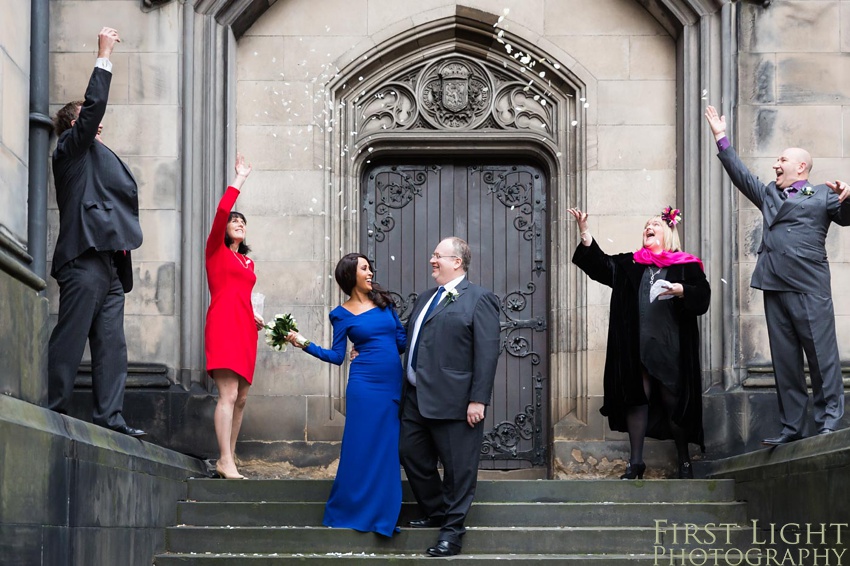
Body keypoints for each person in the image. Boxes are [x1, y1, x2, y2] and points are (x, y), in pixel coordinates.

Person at [705, 105, 850, 444]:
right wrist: (720, 137)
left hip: (809, 287)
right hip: (774, 285)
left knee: (821, 357)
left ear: (801, 166)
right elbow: (743, 177)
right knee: (785, 362)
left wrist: (848, 195)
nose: (775, 165)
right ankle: (792, 428)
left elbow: (845, 216)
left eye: (782, 160)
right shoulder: (770, 193)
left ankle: (829, 421)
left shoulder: (823, 194)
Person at [48, 27, 146, 437]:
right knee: (71, 339)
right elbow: (94, 109)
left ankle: (111, 418)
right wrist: (103, 54)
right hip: (82, 260)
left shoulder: (97, 156)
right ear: (76, 124)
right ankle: (52, 410)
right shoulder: (70, 149)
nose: (100, 128)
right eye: (91, 122)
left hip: (109, 266)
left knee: (112, 347)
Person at [569, 207, 710, 479]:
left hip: (670, 347)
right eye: (646, 224)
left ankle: (683, 459)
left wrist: (682, 290)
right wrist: (585, 232)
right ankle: (635, 463)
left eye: (655, 223)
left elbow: (703, 296)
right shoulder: (631, 264)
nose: (649, 226)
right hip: (636, 347)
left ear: (667, 232)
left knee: (673, 403)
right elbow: (601, 265)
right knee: (637, 399)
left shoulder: (685, 265)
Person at [286, 253, 406, 537]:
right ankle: (349, 510)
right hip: (363, 386)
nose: (370, 272)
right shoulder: (340, 314)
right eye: (364, 268)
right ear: (351, 275)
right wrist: (303, 343)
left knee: (386, 448)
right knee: (359, 446)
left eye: (370, 267)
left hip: (390, 384)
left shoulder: (384, 303)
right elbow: (337, 356)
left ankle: (383, 514)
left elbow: (401, 341)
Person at [398, 237, 501, 557]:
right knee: (409, 452)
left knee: (459, 469)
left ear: (457, 262)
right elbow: (411, 336)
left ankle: (452, 532)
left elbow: (487, 353)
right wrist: (368, 341)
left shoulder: (480, 298)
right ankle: (437, 510)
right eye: (433, 255)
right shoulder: (426, 297)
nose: (432, 260)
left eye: (437, 256)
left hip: (457, 400)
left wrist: (478, 399)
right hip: (415, 396)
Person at [204, 153, 264, 479]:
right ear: (225, 229)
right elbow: (222, 210)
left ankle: (230, 456)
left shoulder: (248, 264)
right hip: (223, 326)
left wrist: (254, 316)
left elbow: (242, 294)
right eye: (234, 221)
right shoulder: (215, 250)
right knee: (227, 394)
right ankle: (224, 459)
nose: (238, 223)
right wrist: (240, 178)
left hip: (245, 328)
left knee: (240, 398)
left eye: (243, 221)